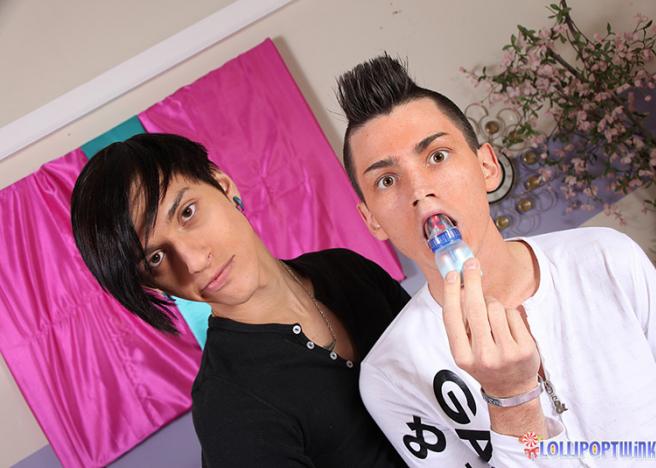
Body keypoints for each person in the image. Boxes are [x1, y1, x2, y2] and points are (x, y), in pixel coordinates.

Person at [335, 55, 656, 467]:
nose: (419, 190)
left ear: (487, 167)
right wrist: (511, 400)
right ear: (372, 220)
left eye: (437, 156)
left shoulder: (606, 258)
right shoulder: (391, 375)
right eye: (386, 180)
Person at [70, 133, 410, 467]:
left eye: (187, 212)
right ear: (153, 285)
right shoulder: (228, 407)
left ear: (224, 186)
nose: (193, 262)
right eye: (156, 258)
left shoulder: (347, 269)